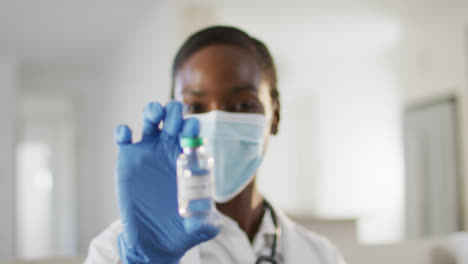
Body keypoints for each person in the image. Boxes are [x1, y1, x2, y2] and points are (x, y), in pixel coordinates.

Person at [85, 26, 347, 264]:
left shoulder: (321, 255)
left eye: (242, 105)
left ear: (275, 115)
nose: (217, 121)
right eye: (195, 107)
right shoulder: (118, 251)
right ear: (173, 117)